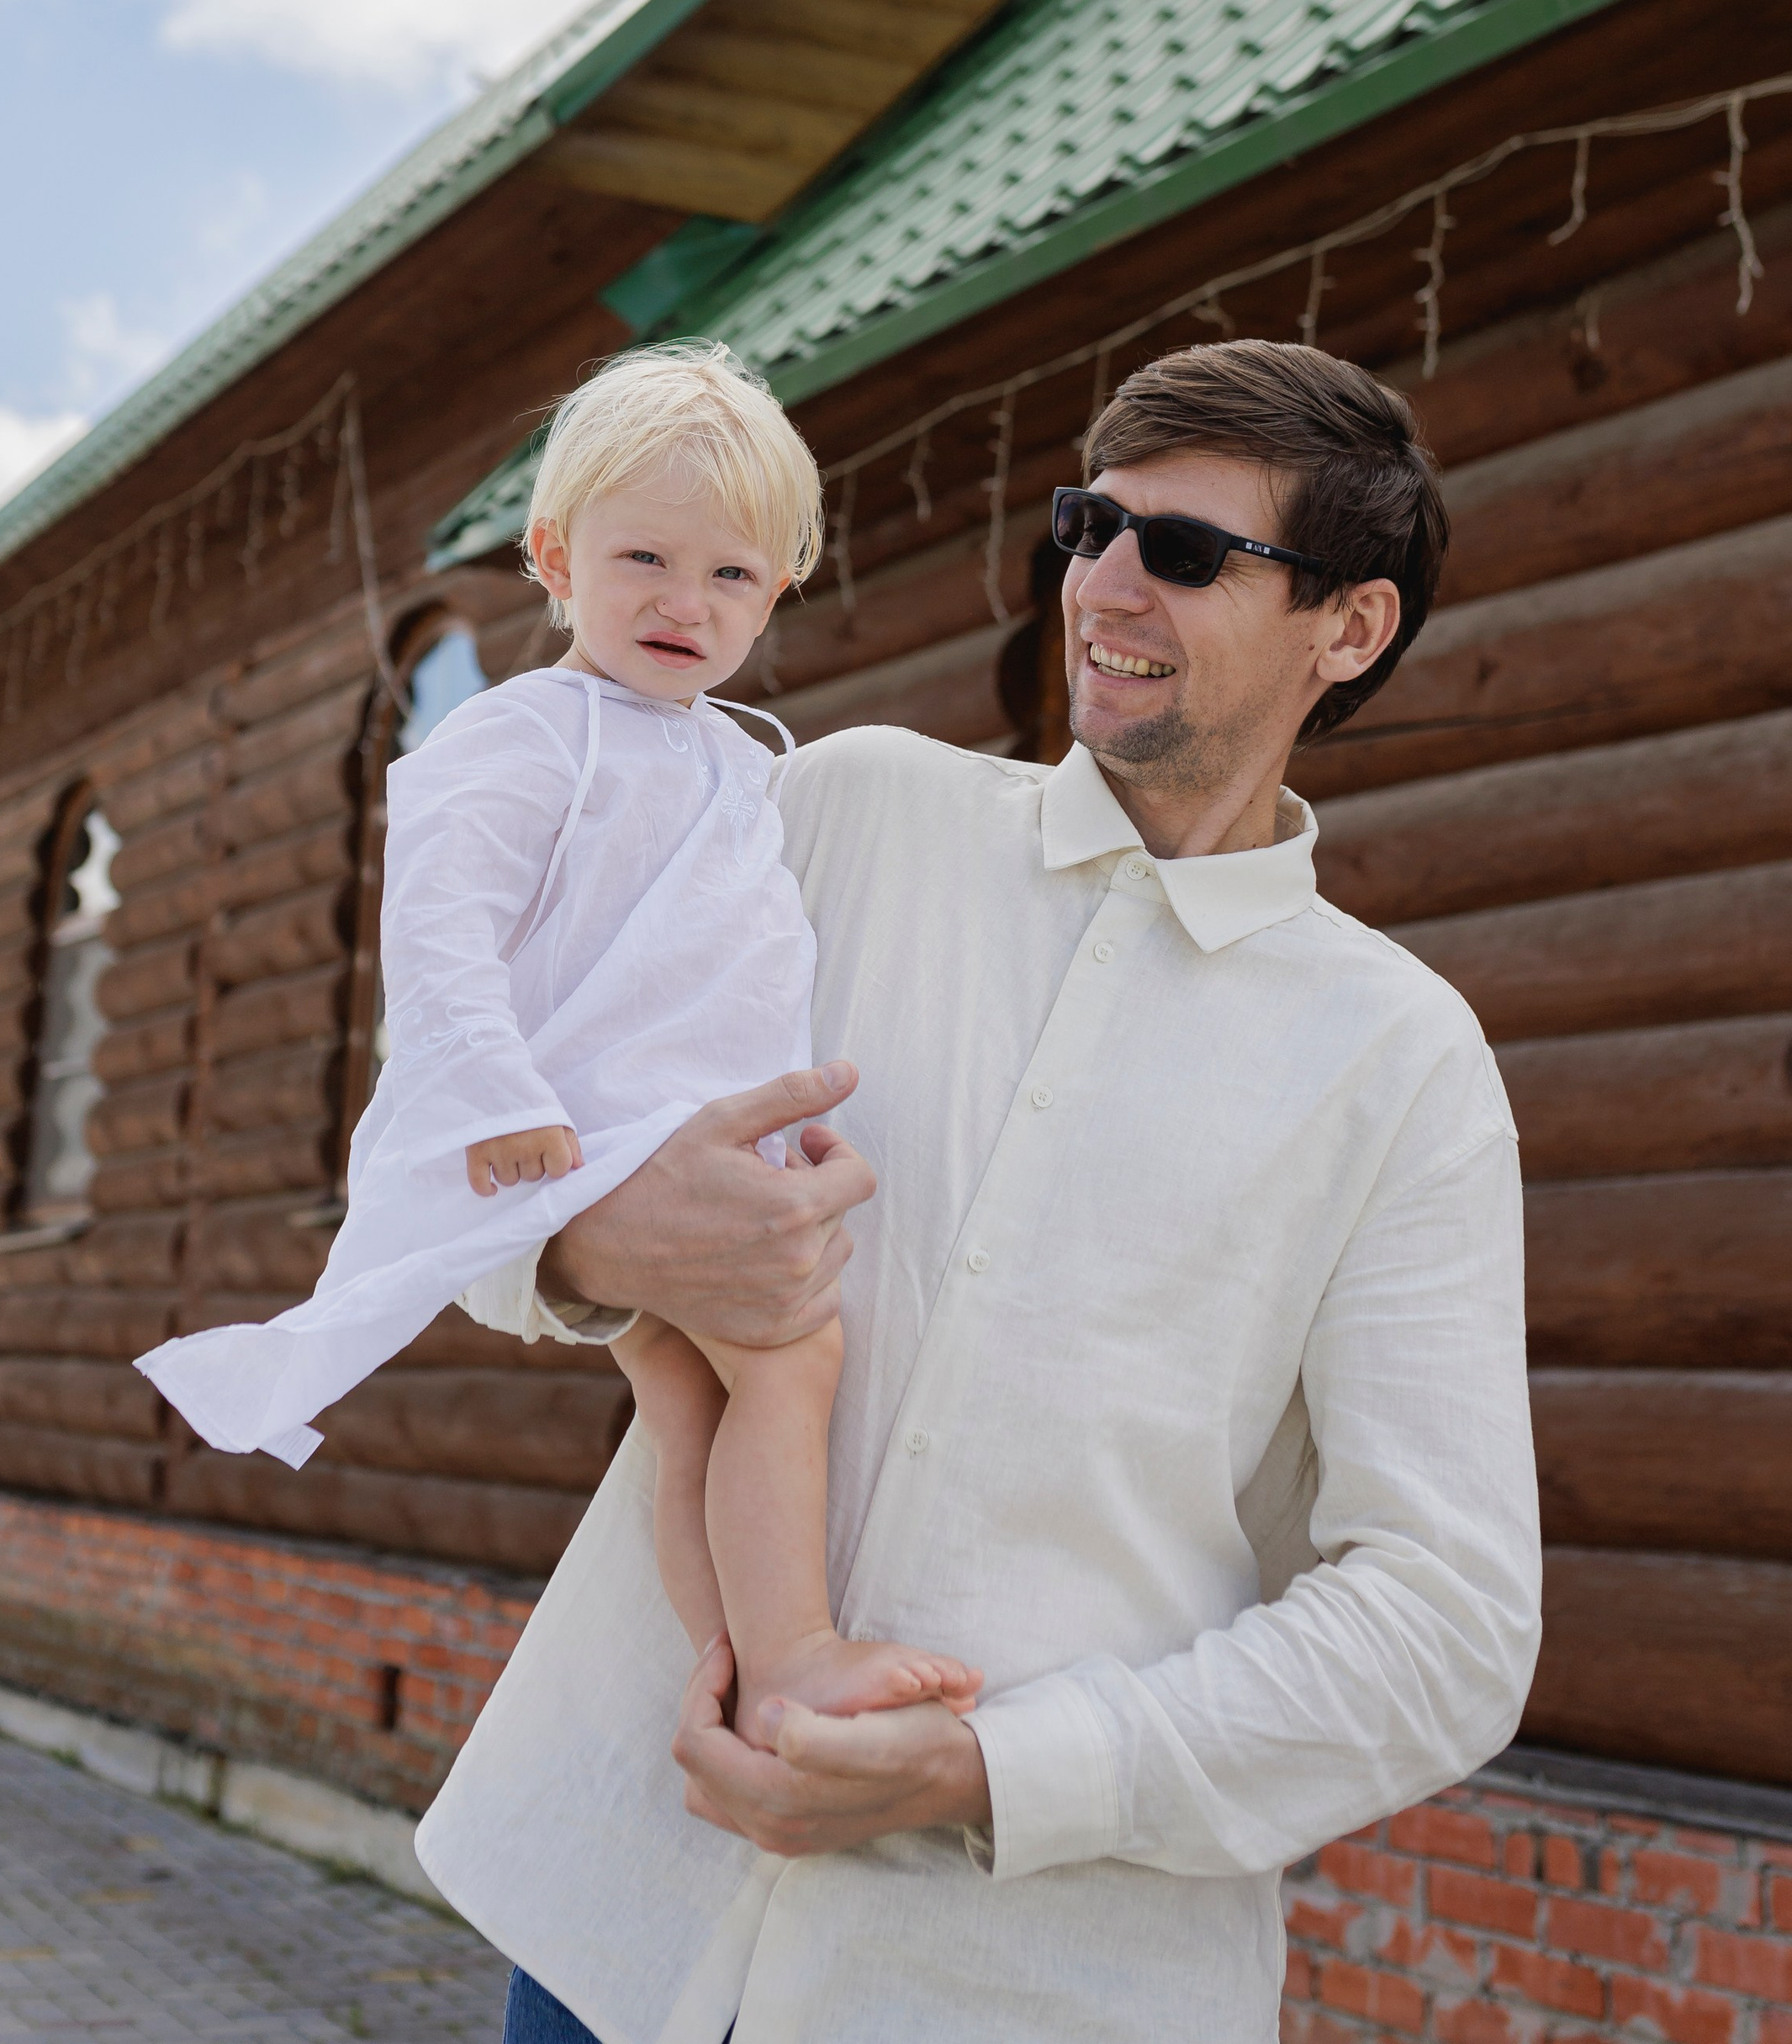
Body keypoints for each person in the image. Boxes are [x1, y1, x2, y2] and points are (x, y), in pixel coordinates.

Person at [416, 339, 1541, 2044]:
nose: (1102, 584)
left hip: (1014, 1989)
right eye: (1090, 524)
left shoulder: (1402, 1062)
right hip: (617, 1917)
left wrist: (984, 1769)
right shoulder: (833, 811)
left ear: (1348, 625)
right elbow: (463, 1129)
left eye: (1180, 552)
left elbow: (1439, 1626)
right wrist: (589, 1242)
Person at [135, 342, 976, 1740]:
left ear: (777, 591)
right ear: (552, 553)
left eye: (731, 575)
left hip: (680, 1123)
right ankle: (793, 1652)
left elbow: (723, 961)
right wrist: (498, 1096)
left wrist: (778, 1116)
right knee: (790, 1357)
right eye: (643, 554)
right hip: (586, 1128)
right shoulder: (526, 736)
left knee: (690, 1405)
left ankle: (725, 1660)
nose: (682, 602)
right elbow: (440, 935)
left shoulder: (738, 757)